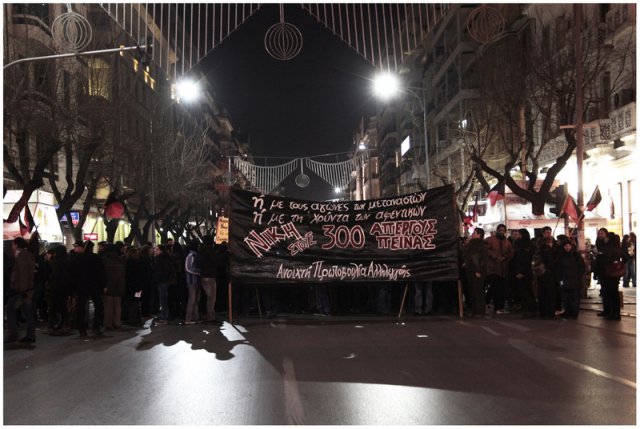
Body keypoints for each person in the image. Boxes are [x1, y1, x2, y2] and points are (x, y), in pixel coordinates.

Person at [71, 241, 106, 337]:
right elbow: (101, 273)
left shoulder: (78, 259)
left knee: (81, 307)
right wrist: (103, 285)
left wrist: (74, 287)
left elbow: (73, 274)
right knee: (98, 306)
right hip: (95, 285)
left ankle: (81, 329)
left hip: (81, 286)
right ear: (91, 248)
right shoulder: (96, 258)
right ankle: (95, 327)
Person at [5, 237, 36, 343]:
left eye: (13, 244)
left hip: (20, 289)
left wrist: (22, 290)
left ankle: (14, 334)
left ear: (17, 245)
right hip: (25, 288)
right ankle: (30, 335)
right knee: (27, 312)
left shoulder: (21, 255)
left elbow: (23, 273)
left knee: (10, 309)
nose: (12, 246)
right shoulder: (27, 255)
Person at [485, 224, 514, 314]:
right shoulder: (491, 240)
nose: (501, 232)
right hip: (493, 268)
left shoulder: (506, 242)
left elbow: (511, 251)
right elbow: (486, 249)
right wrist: (495, 256)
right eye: (500, 230)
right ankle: (487, 302)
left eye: (503, 230)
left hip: (503, 268)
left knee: (501, 288)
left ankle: (499, 307)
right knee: (495, 286)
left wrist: (505, 257)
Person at [44, 245, 72, 334]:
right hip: (65, 287)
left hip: (56, 286)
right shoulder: (68, 262)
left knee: (52, 306)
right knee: (63, 306)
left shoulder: (55, 263)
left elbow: (52, 274)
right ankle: (65, 324)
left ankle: (51, 326)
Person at [555, 239, 586, 320]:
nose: (567, 247)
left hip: (575, 280)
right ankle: (568, 312)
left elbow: (582, 267)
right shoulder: (561, 256)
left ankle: (574, 313)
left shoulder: (576, 255)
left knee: (575, 298)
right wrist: (560, 279)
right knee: (566, 298)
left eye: (569, 245)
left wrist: (578, 276)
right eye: (565, 246)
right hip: (565, 280)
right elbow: (558, 269)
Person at [600, 232, 627, 320]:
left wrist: (600, 256)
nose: (605, 239)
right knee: (614, 292)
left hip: (609, 273)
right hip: (616, 273)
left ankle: (614, 312)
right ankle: (616, 311)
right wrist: (619, 264)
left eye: (606, 237)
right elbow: (626, 257)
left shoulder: (608, 249)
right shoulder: (617, 249)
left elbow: (607, 260)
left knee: (610, 292)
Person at [199, 235, 224, 325]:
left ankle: (209, 315)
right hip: (210, 276)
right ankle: (211, 317)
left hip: (203, 275)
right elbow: (216, 261)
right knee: (211, 298)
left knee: (209, 297)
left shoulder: (201, 250)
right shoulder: (209, 251)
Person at [463, 228, 488, 317]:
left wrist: (480, 271)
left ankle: (480, 311)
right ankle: (474, 310)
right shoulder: (472, 244)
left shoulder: (482, 246)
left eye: (475, 233)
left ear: (479, 235)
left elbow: (484, 260)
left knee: (478, 291)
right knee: (472, 291)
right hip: (470, 270)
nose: (473, 234)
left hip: (477, 271)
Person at [102, 244, 126, 329]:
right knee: (117, 305)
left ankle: (108, 323)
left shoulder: (104, 260)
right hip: (119, 285)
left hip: (108, 286)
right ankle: (117, 322)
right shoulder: (120, 260)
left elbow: (102, 274)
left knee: (108, 306)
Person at [514, 229, 537, 318]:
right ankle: (531, 308)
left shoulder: (525, 245)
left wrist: (521, 271)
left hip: (525, 271)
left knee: (524, 290)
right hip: (526, 271)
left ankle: (530, 308)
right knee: (527, 290)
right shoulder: (526, 244)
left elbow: (523, 260)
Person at [535, 237, 557, 318]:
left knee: (541, 293)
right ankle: (549, 312)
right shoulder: (549, 251)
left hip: (540, 274)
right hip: (549, 274)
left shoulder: (538, 251)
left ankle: (542, 311)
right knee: (550, 293)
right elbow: (551, 264)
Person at [153, 245, 174, 325]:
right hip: (162, 281)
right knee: (164, 300)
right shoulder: (163, 258)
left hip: (163, 281)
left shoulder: (164, 259)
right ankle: (164, 316)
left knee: (163, 300)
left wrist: (157, 274)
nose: (156, 251)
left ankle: (164, 317)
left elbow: (166, 271)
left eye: (158, 249)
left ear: (162, 251)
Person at [125, 247, 144, 326]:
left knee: (130, 302)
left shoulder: (126, 263)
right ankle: (136, 318)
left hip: (129, 287)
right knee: (136, 302)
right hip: (137, 287)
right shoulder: (138, 263)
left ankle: (131, 318)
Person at [184, 240, 201, 324]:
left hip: (196, 280)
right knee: (192, 300)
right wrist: (199, 272)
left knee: (196, 300)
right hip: (192, 281)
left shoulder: (195, 255)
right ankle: (189, 318)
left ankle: (195, 316)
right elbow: (188, 268)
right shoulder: (191, 255)